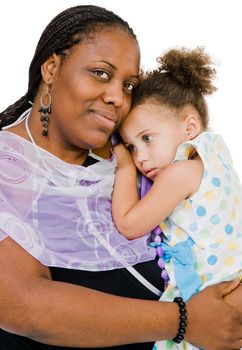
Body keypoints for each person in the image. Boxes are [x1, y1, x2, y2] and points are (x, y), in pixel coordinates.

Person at [0, 6, 241, 350]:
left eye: (128, 85)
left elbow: (218, 237)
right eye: (100, 73)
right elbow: (26, 307)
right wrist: (187, 321)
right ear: (52, 68)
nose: (117, 97)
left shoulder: (135, 160)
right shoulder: (9, 172)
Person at [112, 47, 242, 349]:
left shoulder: (181, 172)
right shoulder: (217, 162)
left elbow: (130, 225)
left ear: (190, 127)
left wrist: (123, 165)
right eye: (131, 147)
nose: (141, 157)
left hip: (207, 295)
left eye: (146, 138)